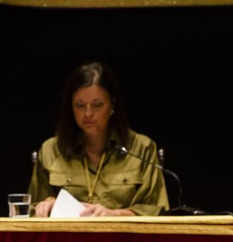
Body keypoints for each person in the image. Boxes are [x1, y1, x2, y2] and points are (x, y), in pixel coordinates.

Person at [30, 62, 167, 216]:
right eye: (80, 105)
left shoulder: (142, 148)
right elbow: (32, 210)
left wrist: (115, 214)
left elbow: (155, 210)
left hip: (124, 238)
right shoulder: (51, 150)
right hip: (67, 237)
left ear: (112, 104)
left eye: (97, 105)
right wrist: (47, 204)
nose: (88, 113)